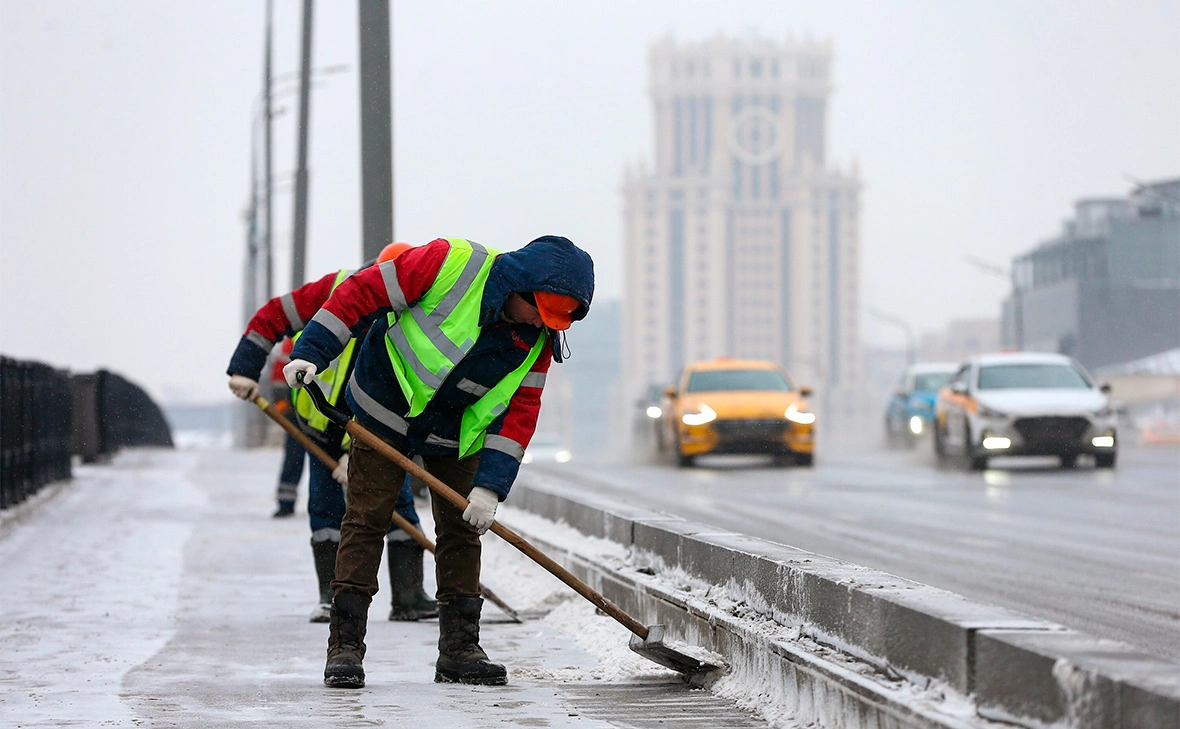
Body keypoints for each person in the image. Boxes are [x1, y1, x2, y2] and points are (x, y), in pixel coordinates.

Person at [284, 235, 593, 689]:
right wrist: (311, 351)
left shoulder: (540, 339)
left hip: (455, 428)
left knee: (462, 530)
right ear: (518, 288)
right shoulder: (448, 264)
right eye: (540, 312)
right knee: (367, 518)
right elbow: (360, 292)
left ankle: (460, 651)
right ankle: (345, 647)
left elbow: (521, 414)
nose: (543, 325)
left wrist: (490, 488)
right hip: (387, 403)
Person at [227, 242, 437, 623]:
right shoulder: (336, 290)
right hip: (318, 425)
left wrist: (353, 451)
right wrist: (244, 367)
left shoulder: (412, 313)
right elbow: (275, 314)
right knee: (326, 512)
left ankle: (408, 598)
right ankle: (330, 598)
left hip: (377, 432)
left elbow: (379, 389)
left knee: (398, 507)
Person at [269, 338, 306, 518]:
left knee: (298, 458)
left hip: (320, 413)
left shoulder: (294, 339)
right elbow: (278, 376)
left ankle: (327, 503)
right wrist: (282, 404)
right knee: (294, 456)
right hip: (296, 413)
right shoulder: (291, 342)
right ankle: (286, 501)